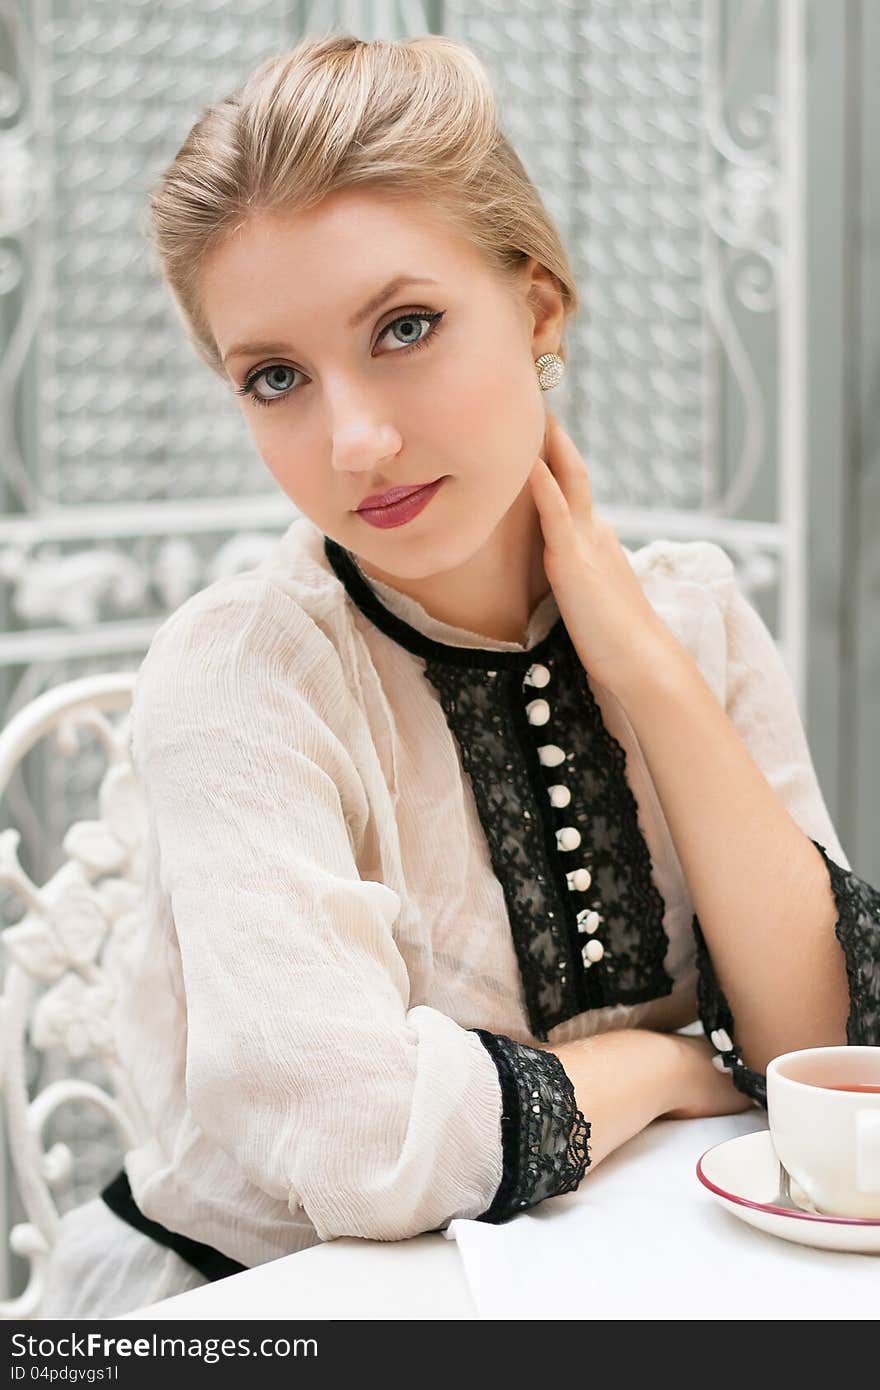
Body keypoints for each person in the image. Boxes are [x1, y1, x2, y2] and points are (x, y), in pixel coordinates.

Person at [37, 31, 878, 1320]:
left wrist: (641, 660)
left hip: (637, 1276)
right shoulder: (247, 675)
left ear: (540, 311)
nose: (355, 441)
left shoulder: (690, 617)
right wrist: (663, 1063)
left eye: (405, 328)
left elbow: (818, 1057)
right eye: (275, 378)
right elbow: (359, 1147)